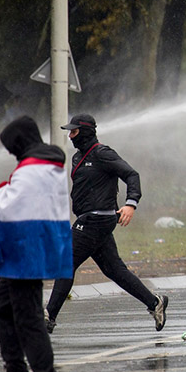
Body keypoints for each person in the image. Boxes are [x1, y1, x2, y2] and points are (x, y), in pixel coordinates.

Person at [0, 116, 73, 372]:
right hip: (30, 251)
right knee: (1, 309)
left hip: (27, 253)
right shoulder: (43, 164)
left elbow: (13, 205)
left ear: (20, 142)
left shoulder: (33, 168)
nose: (10, 152)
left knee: (29, 319)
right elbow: (24, 197)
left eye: (11, 146)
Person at [45, 114, 167, 333]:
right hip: (89, 219)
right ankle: (154, 303)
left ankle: (49, 316)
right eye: (69, 132)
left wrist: (131, 204)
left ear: (86, 132)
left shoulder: (103, 153)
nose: (70, 136)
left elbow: (131, 175)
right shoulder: (77, 157)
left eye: (74, 131)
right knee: (114, 270)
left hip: (97, 219)